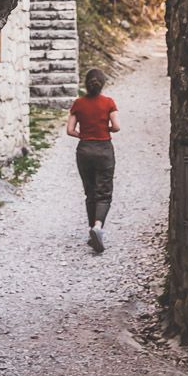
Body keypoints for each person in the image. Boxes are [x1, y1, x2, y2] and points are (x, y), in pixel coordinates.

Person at [67, 68, 120, 253]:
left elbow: (70, 130)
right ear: (102, 84)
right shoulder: (108, 103)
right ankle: (98, 227)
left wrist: (84, 135)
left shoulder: (78, 103)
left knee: (90, 191)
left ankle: (92, 230)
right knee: (103, 191)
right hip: (104, 149)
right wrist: (106, 130)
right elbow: (117, 126)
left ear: (85, 84)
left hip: (84, 150)